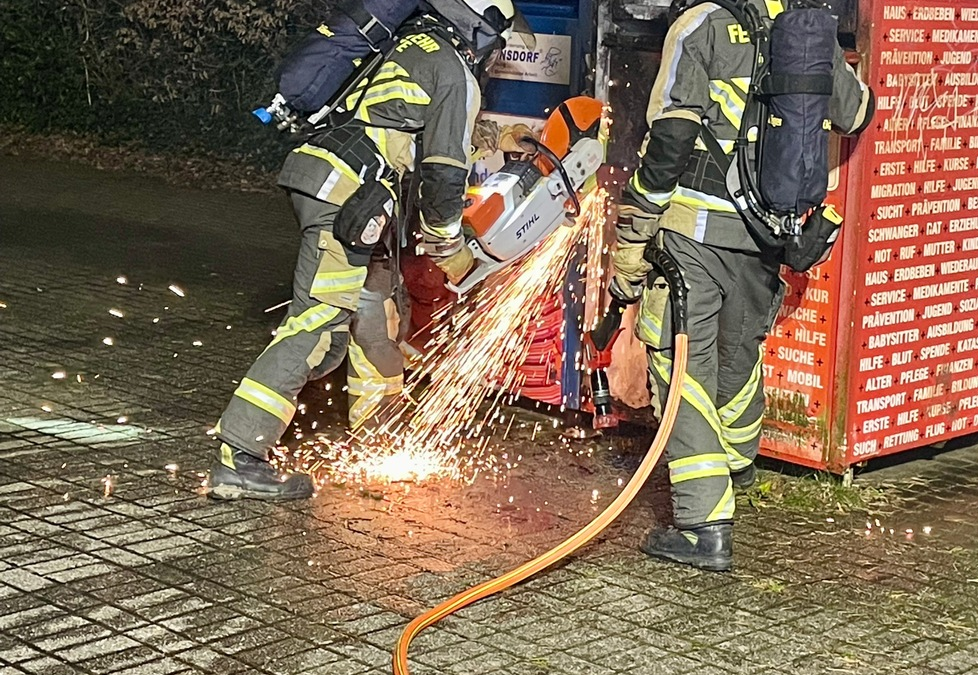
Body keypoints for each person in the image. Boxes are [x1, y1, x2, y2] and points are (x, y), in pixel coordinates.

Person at [209, 0, 533, 500]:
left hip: (336, 182)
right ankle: (240, 454)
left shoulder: (403, 43)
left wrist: (493, 137)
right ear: (482, 28)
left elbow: (400, 122)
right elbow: (443, 174)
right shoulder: (454, 70)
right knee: (317, 324)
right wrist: (448, 248)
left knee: (375, 313)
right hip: (347, 196)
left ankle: (380, 435)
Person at [612, 0, 873, 570]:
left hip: (693, 233)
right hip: (767, 236)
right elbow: (857, 112)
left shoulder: (700, 24)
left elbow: (670, 142)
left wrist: (633, 233)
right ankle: (737, 469)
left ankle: (704, 527)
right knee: (738, 355)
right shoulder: (801, 29)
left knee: (684, 369)